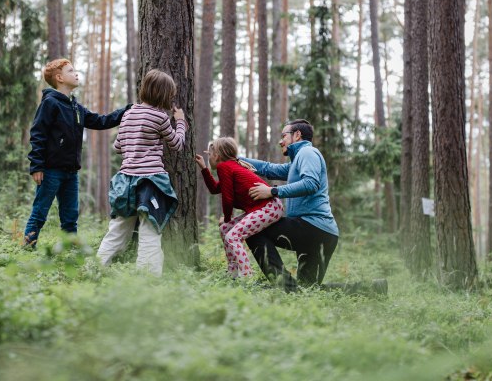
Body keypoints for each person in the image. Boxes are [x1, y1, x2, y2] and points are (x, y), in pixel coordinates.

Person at [24, 58, 130, 248]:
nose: (76, 73)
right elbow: (38, 134)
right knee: (40, 212)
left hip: (71, 172)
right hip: (50, 171)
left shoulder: (76, 108)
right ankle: (27, 247)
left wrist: (125, 111)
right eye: (71, 71)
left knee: (70, 217)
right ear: (59, 78)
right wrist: (37, 166)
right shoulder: (50, 103)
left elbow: (100, 121)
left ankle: (69, 254)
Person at [96, 69, 187, 276]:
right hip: (151, 183)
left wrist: (133, 145)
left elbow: (117, 146)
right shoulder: (160, 117)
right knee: (150, 230)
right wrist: (180, 122)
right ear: (164, 95)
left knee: (117, 229)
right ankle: (148, 278)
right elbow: (177, 144)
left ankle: (96, 269)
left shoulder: (128, 114)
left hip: (125, 181)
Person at [244, 119, 339, 290]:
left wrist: (273, 191)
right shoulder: (297, 161)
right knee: (309, 290)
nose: (281, 141)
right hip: (324, 234)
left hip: (313, 227)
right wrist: (234, 159)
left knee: (253, 228)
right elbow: (267, 168)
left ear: (297, 135)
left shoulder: (307, 153)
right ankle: (374, 289)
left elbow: (311, 183)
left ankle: (284, 285)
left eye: (284, 136)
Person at [195, 137, 285, 278]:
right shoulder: (231, 167)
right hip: (268, 206)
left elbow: (228, 198)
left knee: (233, 236)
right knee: (226, 229)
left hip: (269, 207)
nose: (209, 158)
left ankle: (247, 276)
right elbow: (215, 188)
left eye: (209, 156)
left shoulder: (224, 167)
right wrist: (204, 168)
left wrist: (227, 218)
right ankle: (233, 272)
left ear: (217, 156)